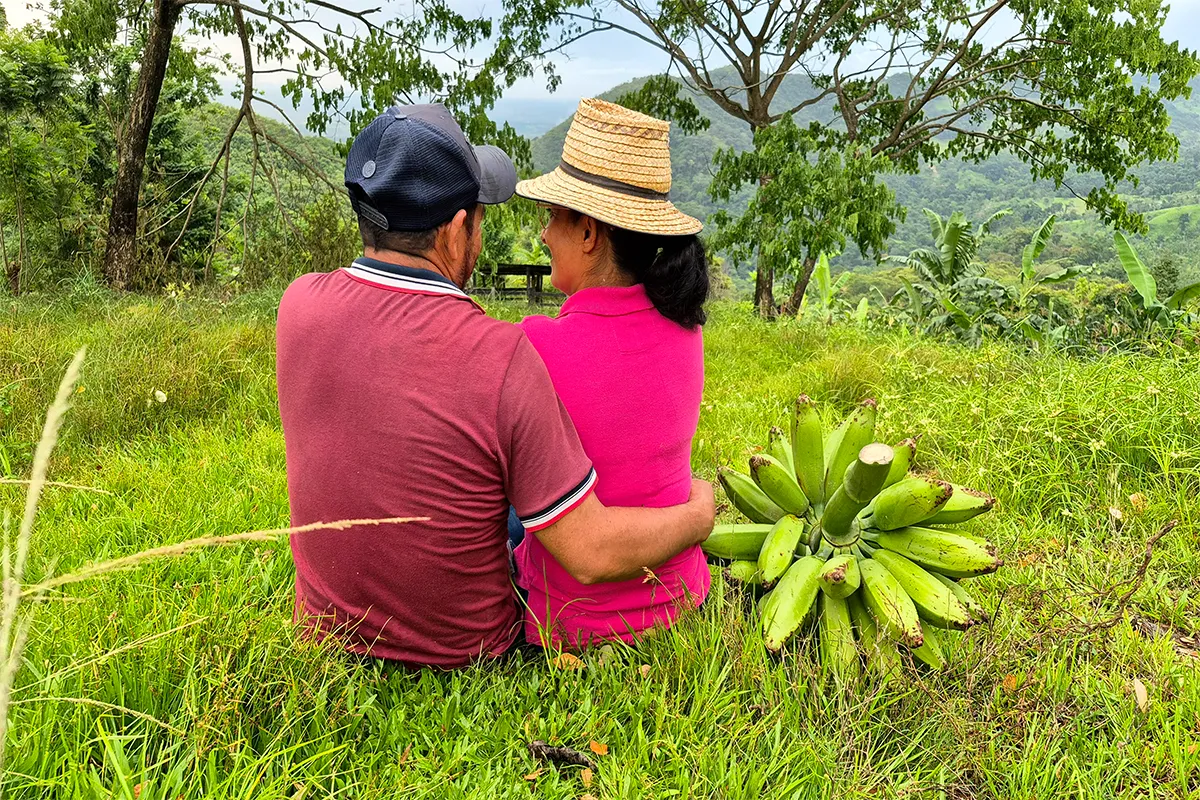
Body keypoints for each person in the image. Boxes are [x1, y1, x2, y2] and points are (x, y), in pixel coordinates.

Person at [274, 103, 714, 670]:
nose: (539, 230)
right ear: (458, 231)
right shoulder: (511, 353)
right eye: (481, 215)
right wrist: (700, 515)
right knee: (519, 484)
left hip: (327, 631)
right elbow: (589, 547)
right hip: (483, 648)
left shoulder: (296, 305)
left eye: (551, 214)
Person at [509, 98, 711, 649]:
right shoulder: (687, 331)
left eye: (554, 217)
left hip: (570, 622)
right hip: (680, 599)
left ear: (590, 233)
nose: (546, 234)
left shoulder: (535, 347)